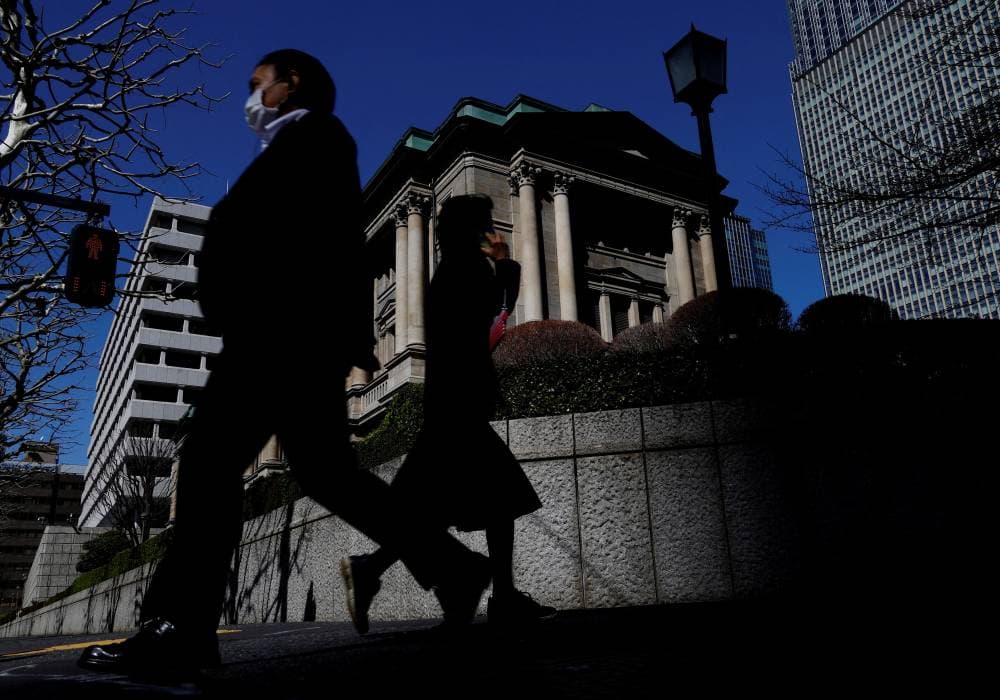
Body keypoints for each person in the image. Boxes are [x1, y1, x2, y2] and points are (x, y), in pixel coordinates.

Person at [77, 49, 489, 679]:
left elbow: (321, 241)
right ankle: (454, 568)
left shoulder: (318, 136)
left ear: (290, 82)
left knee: (211, 465)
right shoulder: (301, 145)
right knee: (328, 472)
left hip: (279, 333)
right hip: (292, 334)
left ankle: (179, 630)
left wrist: (297, 321)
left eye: (256, 85)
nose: (250, 98)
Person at [340, 194, 556, 634]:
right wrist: (506, 263)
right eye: (486, 224)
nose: (492, 231)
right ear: (474, 231)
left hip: (451, 403)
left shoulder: (449, 270)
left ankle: (495, 594)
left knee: (456, 504)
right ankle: (496, 595)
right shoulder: (468, 269)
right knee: (493, 497)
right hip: (459, 406)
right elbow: (497, 311)